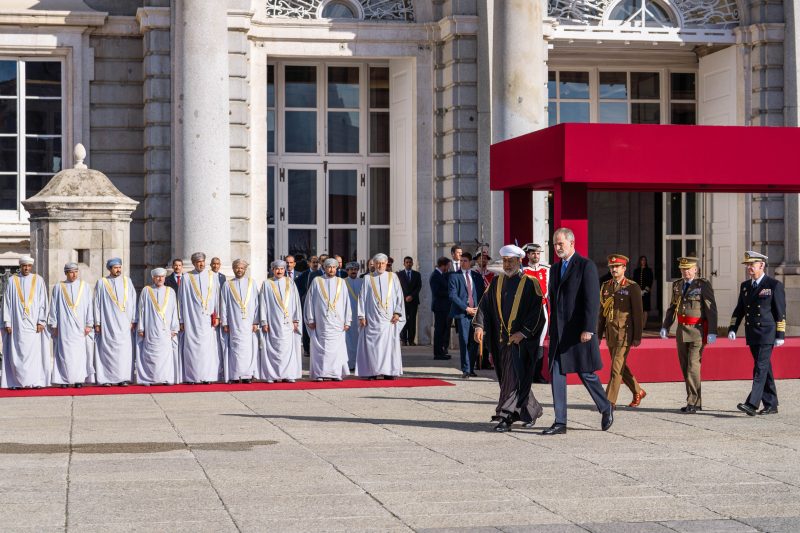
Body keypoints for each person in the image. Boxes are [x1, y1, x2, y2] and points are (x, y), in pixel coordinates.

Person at [544, 228, 614, 435]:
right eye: (555, 244)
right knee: (556, 373)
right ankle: (560, 422)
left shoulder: (586, 266)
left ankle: (605, 406)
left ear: (571, 243)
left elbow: (592, 300)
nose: (557, 248)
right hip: (560, 333)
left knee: (586, 373)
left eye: (560, 244)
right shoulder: (555, 269)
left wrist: (588, 329)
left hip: (579, 332)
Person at [473, 244, 545, 432]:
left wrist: (524, 333)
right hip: (500, 340)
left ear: (519, 261)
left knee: (512, 378)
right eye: (504, 261)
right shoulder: (496, 282)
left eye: (510, 261)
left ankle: (505, 416)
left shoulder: (530, 283)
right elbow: (484, 306)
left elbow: (538, 313)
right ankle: (532, 409)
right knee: (509, 378)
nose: (507, 264)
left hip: (521, 342)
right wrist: (479, 326)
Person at [728, 251, 786, 416]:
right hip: (752, 332)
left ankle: (752, 404)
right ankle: (771, 404)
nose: (749, 268)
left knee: (760, 368)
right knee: (765, 368)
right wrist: (732, 328)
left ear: (762, 265)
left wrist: (780, 334)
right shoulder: (746, 286)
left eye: (752, 264)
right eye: (747, 265)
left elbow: (780, 311)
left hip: (767, 333)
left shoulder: (773, 285)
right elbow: (740, 309)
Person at [660, 257, 718, 413]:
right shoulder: (677, 285)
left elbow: (710, 309)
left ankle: (691, 402)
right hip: (681, 331)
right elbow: (672, 307)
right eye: (682, 269)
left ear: (695, 269)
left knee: (693, 367)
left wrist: (712, 331)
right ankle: (696, 401)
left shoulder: (703, 285)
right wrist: (666, 326)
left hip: (697, 331)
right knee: (685, 367)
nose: (685, 271)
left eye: (688, 268)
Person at [598, 254, 645, 408]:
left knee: (616, 368)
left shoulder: (632, 287)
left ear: (624, 268)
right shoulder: (606, 286)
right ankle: (638, 391)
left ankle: (609, 401)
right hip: (611, 333)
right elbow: (602, 313)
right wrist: (598, 334)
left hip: (625, 334)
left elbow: (638, 314)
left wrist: (638, 336)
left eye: (617, 266)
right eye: (611, 267)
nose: (614, 269)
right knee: (620, 366)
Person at [1, 256, 50, 389]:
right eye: (24, 266)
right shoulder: (12, 281)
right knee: (17, 352)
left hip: (34, 324)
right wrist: (8, 322)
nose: (26, 268)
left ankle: (36, 381)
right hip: (17, 325)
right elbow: (7, 303)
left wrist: (41, 321)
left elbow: (43, 302)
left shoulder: (38, 280)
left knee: (34, 353)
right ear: (20, 266)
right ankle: (16, 382)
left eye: (28, 266)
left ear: (31, 266)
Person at [356, 253, 405, 379]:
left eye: (383, 263)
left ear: (386, 264)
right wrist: (361, 316)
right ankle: (372, 372)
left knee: (388, 347)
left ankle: (388, 371)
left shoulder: (393, 277)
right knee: (373, 347)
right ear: (374, 264)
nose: (380, 265)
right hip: (372, 319)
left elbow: (399, 295)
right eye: (378, 263)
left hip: (388, 319)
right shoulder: (368, 278)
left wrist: (397, 312)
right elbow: (362, 298)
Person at [305, 258, 351, 381]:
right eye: (328, 267)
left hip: (337, 321)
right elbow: (310, 301)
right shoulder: (317, 281)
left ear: (337, 268)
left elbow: (346, 302)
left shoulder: (341, 282)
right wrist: (310, 319)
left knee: (337, 348)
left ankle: (335, 373)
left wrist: (348, 321)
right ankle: (321, 373)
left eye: (333, 267)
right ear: (324, 268)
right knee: (322, 348)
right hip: (321, 322)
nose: (331, 269)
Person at [179, 251, 222, 384]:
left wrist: (218, 315)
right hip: (192, 319)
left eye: (202, 261)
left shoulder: (212, 276)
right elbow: (180, 299)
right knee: (193, 347)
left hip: (208, 318)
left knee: (208, 348)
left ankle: (208, 376)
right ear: (193, 263)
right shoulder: (187, 277)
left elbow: (217, 297)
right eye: (198, 262)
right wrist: (181, 319)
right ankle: (193, 377)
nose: (201, 264)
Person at [49, 262, 94, 388]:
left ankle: (79, 379)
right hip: (64, 326)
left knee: (79, 354)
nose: (74, 274)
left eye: (76, 272)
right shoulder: (58, 287)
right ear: (66, 273)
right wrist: (54, 324)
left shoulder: (84, 286)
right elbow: (53, 307)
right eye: (71, 272)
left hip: (80, 326)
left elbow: (89, 305)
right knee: (64, 353)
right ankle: (64, 380)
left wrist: (89, 324)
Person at [93, 257, 137, 386]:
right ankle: (107, 379)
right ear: (110, 269)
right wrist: (97, 322)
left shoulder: (127, 281)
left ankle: (123, 378)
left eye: (119, 267)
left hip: (125, 323)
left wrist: (134, 319)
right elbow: (96, 303)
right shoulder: (102, 282)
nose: (118, 270)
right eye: (115, 267)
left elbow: (133, 300)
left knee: (124, 352)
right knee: (108, 350)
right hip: (108, 322)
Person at [260, 259, 302, 383]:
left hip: (288, 322)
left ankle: (288, 374)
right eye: (277, 269)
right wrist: (264, 321)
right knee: (273, 348)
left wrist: (296, 319)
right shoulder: (267, 284)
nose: (279, 271)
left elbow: (296, 302)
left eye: (282, 269)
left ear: (285, 270)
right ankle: (272, 375)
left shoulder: (291, 283)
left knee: (288, 348)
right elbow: (263, 303)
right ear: (272, 270)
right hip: (273, 322)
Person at [136, 267, 180, 385]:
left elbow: (174, 310)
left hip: (166, 329)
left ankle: (166, 378)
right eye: (157, 277)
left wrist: (175, 328)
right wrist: (141, 327)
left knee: (165, 354)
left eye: (162, 276)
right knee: (150, 353)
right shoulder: (147, 290)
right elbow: (141, 310)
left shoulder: (170, 291)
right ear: (153, 278)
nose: (160, 279)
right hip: (150, 328)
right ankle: (148, 378)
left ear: (165, 278)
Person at [220, 259, 260, 383]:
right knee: (235, 347)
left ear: (245, 269)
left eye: (242, 268)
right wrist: (225, 322)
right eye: (237, 267)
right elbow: (224, 304)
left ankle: (247, 375)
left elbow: (257, 303)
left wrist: (255, 321)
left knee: (248, 349)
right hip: (234, 322)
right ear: (233, 269)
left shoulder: (251, 283)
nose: (239, 270)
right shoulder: (227, 284)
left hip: (249, 323)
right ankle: (235, 375)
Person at [449, 252, 482, 379]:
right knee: (464, 340)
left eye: (465, 261)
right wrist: (466, 308)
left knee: (474, 341)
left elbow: (481, 293)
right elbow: (452, 295)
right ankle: (466, 369)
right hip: (463, 313)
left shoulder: (476, 276)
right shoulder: (454, 276)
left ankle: (471, 367)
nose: (462, 263)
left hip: (476, 313)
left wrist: (478, 308)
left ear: (470, 263)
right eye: (461, 261)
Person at [522, 243, 549, 383]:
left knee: (539, 342)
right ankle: (525, 373)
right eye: (533, 253)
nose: (536, 256)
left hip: (542, 309)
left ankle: (537, 374)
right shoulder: (523, 271)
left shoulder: (546, 270)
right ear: (528, 255)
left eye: (538, 253)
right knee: (527, 340)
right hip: (528, 311)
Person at [429, 257, 452, 360]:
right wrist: (450, 294)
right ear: (443, 265)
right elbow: (437, 292)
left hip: (444, 307)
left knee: (443, 330)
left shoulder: (442, 275)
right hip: (439, 307)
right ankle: (437, 353)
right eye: (448, 265)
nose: (449, 268)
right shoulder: (435, 276)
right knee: (439, 330)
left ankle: (441, 351)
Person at [343, 262, 363, 371]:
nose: (353, 271)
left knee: (360, 340)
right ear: (347, 271)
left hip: (360, 316)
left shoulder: (363, 282)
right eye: (351, 269)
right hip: (347, 316)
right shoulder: (342, 282)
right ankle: (349, 364)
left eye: (355, 269)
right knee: (348, 341)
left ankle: (359, 364)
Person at [398, 256, 422, 346]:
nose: (408, 264)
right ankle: (403, 340)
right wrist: (405, 297)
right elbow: (398, 288)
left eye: (410, 262)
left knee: (412, 321)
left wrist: (411, 296)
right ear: (404, 264)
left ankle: (411, 340)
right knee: (403, 320)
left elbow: (419, 287)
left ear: (412, 263)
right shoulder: (399, 274)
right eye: (407, 262)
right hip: (403, 301)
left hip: (413, 301)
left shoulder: (417, 274)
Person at [632, 255, 654, 325]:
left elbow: (650, 281)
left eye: (644, 260)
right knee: (639, 308)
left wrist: (645, 290)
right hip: (638, 292)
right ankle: (640, 323)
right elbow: (634, 281)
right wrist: (638, 290)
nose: (643, 261)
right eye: (642, 260)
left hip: (646, 292)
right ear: (640, 261)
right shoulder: (636, 271)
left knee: (645, 309)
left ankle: (644, 324)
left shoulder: (649, 270)